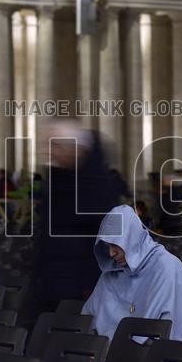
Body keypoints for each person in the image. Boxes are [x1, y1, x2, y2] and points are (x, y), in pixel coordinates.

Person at [32, 121, 126, 310]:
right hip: (51, 281)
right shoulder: (56, 180)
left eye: (56, 146)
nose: (49, 152)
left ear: (76, 149)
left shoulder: (97, 187)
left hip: (82, 286)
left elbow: (107, 239)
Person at [82, 205, 182, 341]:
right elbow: (87, 321)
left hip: (151, 357)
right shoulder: (112, 270)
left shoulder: (167, 268)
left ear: (131, 238)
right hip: (105, 355)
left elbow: (171, 337)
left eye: (116, 244)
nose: (111, 253)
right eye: (107, 246)